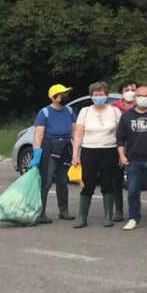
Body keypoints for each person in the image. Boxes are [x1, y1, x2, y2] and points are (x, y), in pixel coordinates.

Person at [70, 81, 121, 228]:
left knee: (108, 183)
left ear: (106, 95)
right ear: (91, 96)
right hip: (89, 150)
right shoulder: (85, 111)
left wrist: (121, 153)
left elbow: (120, 135)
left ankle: (108, 216)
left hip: (109, 150)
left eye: (102, 94)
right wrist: (75, 155)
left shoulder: (115, 111)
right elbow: (78, 135)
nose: (99, 96)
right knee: (88, 183)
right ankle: (82, 217)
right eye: (96, 94)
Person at [117, 85, 147, 230]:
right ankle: (133, 218)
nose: (143, 99)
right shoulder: (126, 116)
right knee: (132, 191)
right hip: (134, 159)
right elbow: (120, 138)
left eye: (146, 96)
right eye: (140, 96)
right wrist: (121, 155)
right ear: (135, 97)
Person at [29, 83, 76, 224]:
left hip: (65, 147)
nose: (65, 96)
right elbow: (38, 135)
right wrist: (37, 155)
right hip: (50, 147)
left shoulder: (69, 111)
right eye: (62, 94)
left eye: (65, 94)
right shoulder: (44, 113)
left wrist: (78, 150)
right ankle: (41, 213)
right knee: (46, 181)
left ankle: (64, 211)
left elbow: (75, 132)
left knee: (62, 180)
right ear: (53, 97)